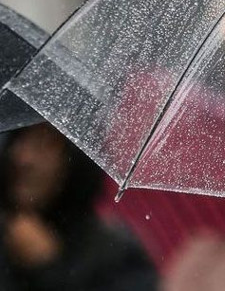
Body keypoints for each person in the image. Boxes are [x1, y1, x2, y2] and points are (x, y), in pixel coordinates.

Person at [0, 123, 157, 291]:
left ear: (75, 159)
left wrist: (49, 271)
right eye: (19, 140)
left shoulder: (116, 255)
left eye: (45, 144)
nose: (23, 158)